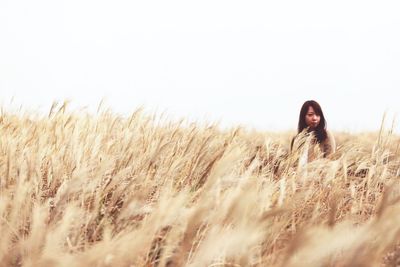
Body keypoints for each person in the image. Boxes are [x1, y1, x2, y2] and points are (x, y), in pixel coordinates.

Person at [291, 100, 336, 165]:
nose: (314, 118)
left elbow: (331, 161)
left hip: (319, 174)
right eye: (310, 115)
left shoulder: (326, 135)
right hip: (300, 174)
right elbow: (293, 164)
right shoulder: (297, 138)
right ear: (303, 116)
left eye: (317, 115)